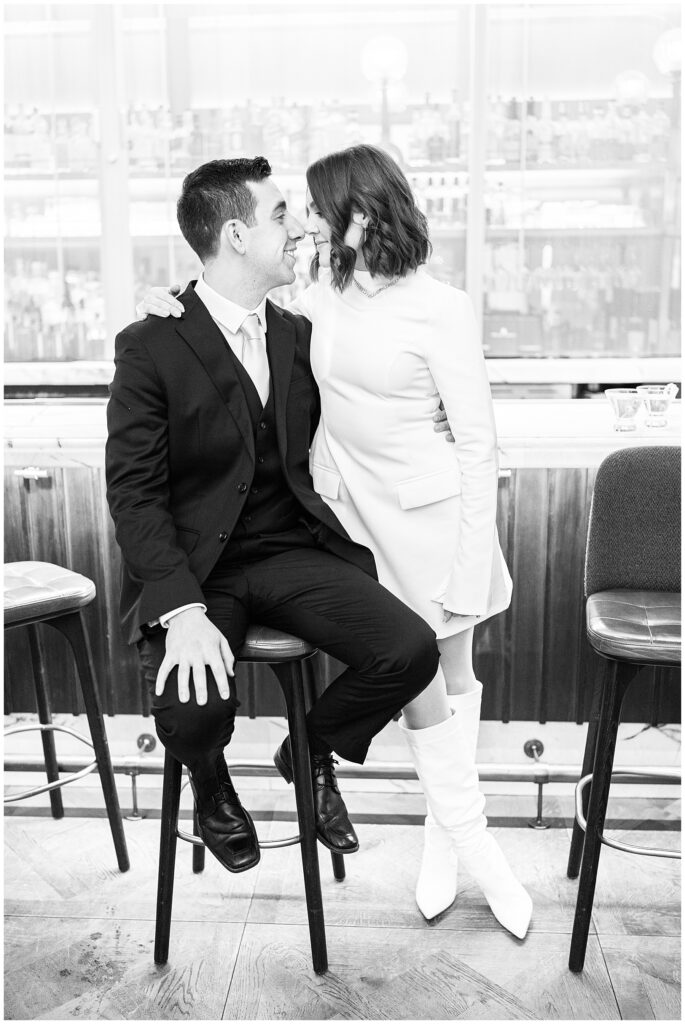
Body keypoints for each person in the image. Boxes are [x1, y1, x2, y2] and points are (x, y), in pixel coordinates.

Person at [137, 145, 533, 939]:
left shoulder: (441, 307)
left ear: (356, 214)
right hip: (349, 521)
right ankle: (454, 843)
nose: (304, 223)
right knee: (420, 674)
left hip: (427, 516)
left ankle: (459, 844)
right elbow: (223, 315)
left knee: (444, 673)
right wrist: (170, 301)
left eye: (313, 210)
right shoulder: (319, 297)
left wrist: (465, 557)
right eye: (294, 212)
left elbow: (477, 444)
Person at [106, 156, 440, 879]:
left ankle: (310, 751)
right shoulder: (150, 343)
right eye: (280, 213)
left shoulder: (297, 330)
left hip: (290, 552)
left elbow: (374, 360)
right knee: (194, 714)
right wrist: (181, 609)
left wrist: (434, 419)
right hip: (199, 569)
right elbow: (132, 494)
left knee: (409, 651)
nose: (297, 229)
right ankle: (211, 782)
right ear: (234, 234)